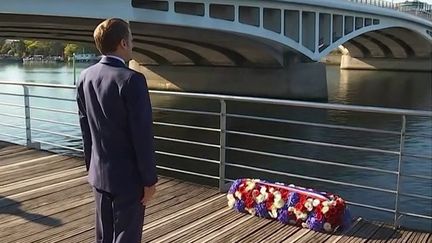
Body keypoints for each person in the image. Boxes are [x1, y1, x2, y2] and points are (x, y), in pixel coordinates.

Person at [76, 18, 157, 243]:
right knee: (127, 236)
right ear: (123, 43)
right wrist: (149, 180)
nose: (132, 43)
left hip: (99, 173)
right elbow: (142, 135)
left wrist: (91, 167)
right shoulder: (132, 80)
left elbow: (86, 129)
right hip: (129, 179)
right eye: (130, 39)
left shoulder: (85, 77)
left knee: (103, 236)